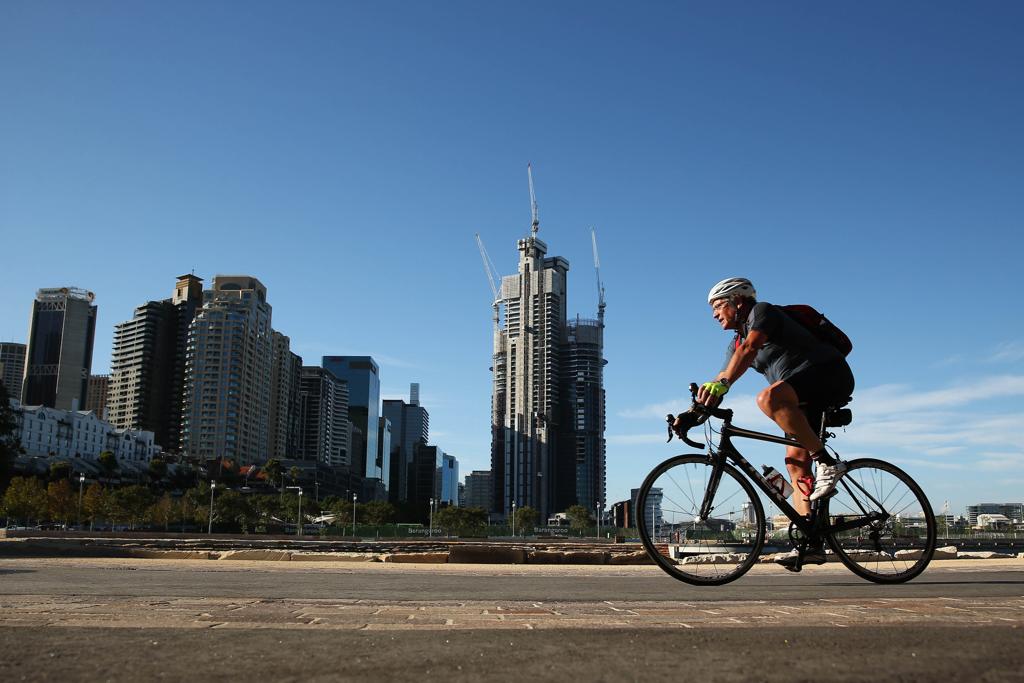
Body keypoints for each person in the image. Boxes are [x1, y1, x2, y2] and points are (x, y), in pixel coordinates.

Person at [693, 277, 854, 571]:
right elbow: (721, 376)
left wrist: (725, 383)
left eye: (718, 306)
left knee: (768, 398)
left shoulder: (763, 312)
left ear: (737, 301)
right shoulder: (735, 343)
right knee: (794, 463)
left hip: (828, 375)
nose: (715, 314)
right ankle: (813, 542)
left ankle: (828, 463)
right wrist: (690, 414)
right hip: (799, 396)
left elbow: (751, 349)